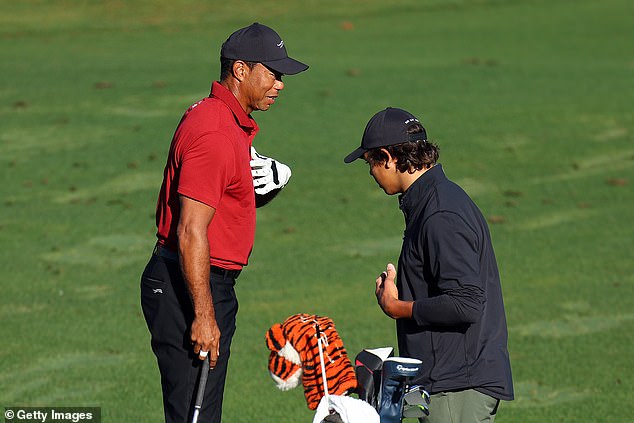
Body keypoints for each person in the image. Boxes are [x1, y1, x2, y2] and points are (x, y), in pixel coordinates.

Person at [140, 23, 308, 423]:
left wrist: (258, 193)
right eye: (273, 72)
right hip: (191, 284)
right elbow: (190, 230)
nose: (280, 84)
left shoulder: (224, 121)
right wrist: (203, 314)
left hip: (200, 280)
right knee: (193, 415)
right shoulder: (215, 131)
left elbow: (218, 208)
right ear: (240, 70)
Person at [343, 107, 513, 423]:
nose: (371, 173)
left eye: (370, 163)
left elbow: (466, 303)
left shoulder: (440, 214)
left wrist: (399, 306)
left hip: (458, 387)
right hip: (452, 383)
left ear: (388, 156)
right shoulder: (436, 201)